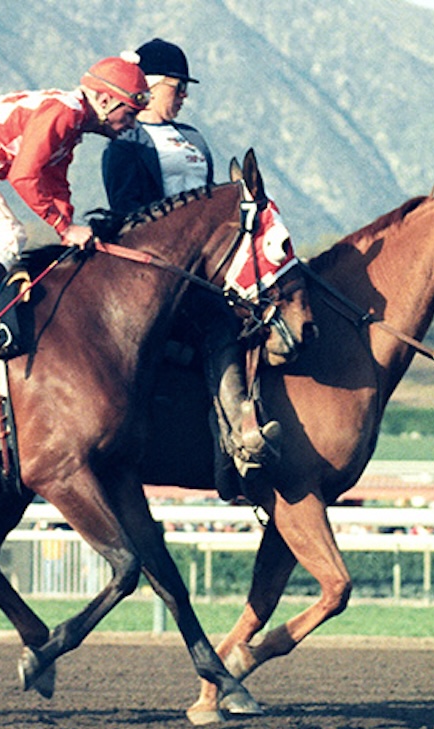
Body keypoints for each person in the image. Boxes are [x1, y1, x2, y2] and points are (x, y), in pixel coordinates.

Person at [101, 39, 281, 478]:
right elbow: (128, 213)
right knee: (218, 328)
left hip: (205, 270)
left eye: (184, 90)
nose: (184, 97)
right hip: (153, 270)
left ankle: (240, 433)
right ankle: (232, 441)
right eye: (177, 88)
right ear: (150, 86)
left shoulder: (196, 139)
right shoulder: (126, 142)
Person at [0, 57, 150, 355]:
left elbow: (54, 182)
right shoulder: (65, 112)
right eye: (130, 113)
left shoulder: (73, 123)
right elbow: (24, 175)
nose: (132, 124)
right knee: (6, 235)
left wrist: (67, 230)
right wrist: (65, 227)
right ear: (105, 99)